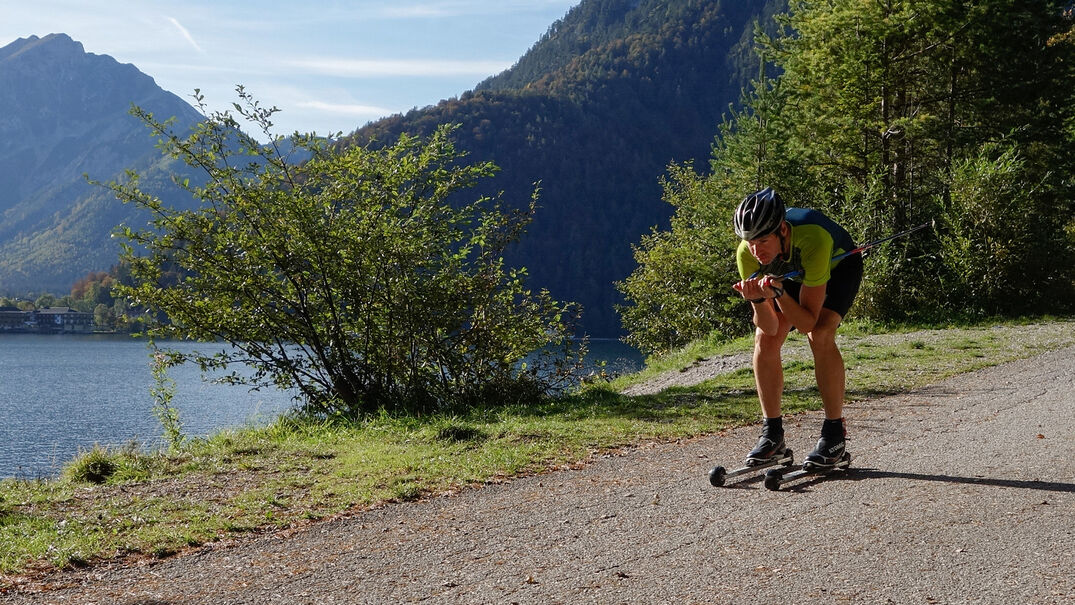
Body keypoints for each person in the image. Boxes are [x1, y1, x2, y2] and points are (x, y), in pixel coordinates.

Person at [731, 187, 863, 470]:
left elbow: (806, 324)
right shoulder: (749, 253)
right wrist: (756, 300)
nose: (756, 250)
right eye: (750, 242)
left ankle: (834, 436)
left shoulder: (813, 236)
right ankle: (772, 435)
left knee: (821, 334)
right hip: (788, 273)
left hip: (837, 266)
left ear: (782, 230)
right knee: (764, 341)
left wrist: (779, 294)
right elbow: (768, 326)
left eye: (763, 240)